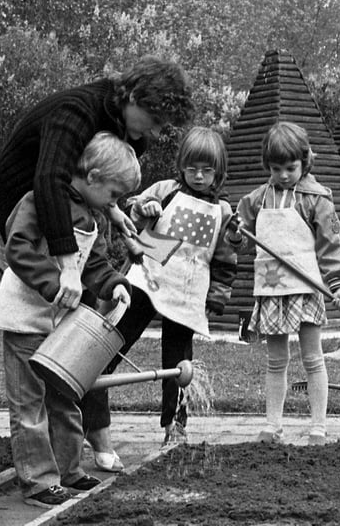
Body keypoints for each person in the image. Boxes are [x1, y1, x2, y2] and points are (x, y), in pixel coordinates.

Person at [0, 55, 194, 465]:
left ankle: (60, 442)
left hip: (67, 214)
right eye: (153, 121)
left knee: (66, 329)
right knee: (33, 321)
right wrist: (66, 265)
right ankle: (39, 442)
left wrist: (112, 210)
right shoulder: (75, 113)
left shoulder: (123, 129)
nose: (153, 134)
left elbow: (92, 182)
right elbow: (51, 181)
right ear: (133, 96)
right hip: (20, 206)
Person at [0, 132, 139, 508]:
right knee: (29, 402)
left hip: (60, 325)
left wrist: (113, 284)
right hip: (24, 319)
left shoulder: (91, 217)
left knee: (66, 394)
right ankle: (38, 481)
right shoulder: (38, 202)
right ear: (94, 177)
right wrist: (53, 285)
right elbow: (16, 249)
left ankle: (68, 470)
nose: (114, 205)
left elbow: (94, 265)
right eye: (113, 196)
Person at [81, 127, 238, 453]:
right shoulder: (166, 190)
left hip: (186, 290)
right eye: (191, 167)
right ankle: (86, 413)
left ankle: (175, 425)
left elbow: (225, 258)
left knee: (179, 363)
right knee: (112, 345)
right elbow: (132, 215)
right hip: (147, 278)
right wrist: (145, 209)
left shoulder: (223, 211)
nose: (198, 175)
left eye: (206, 170)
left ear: (218, 172)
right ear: (181, 165)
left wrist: (218, 296)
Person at [225, 121, 340, 446]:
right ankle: (273, 425)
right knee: (276, 360)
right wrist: (235, 233)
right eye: (276, 168)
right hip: (271, 289)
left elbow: (333, 241)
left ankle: (318, 426)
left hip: (306, 288)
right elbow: (239, 240)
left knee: (312, 357)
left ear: (305, 161)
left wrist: (336, 284)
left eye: (291, 168)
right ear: (268, 166)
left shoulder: (317, 199)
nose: (283, 175)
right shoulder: (256, 200)